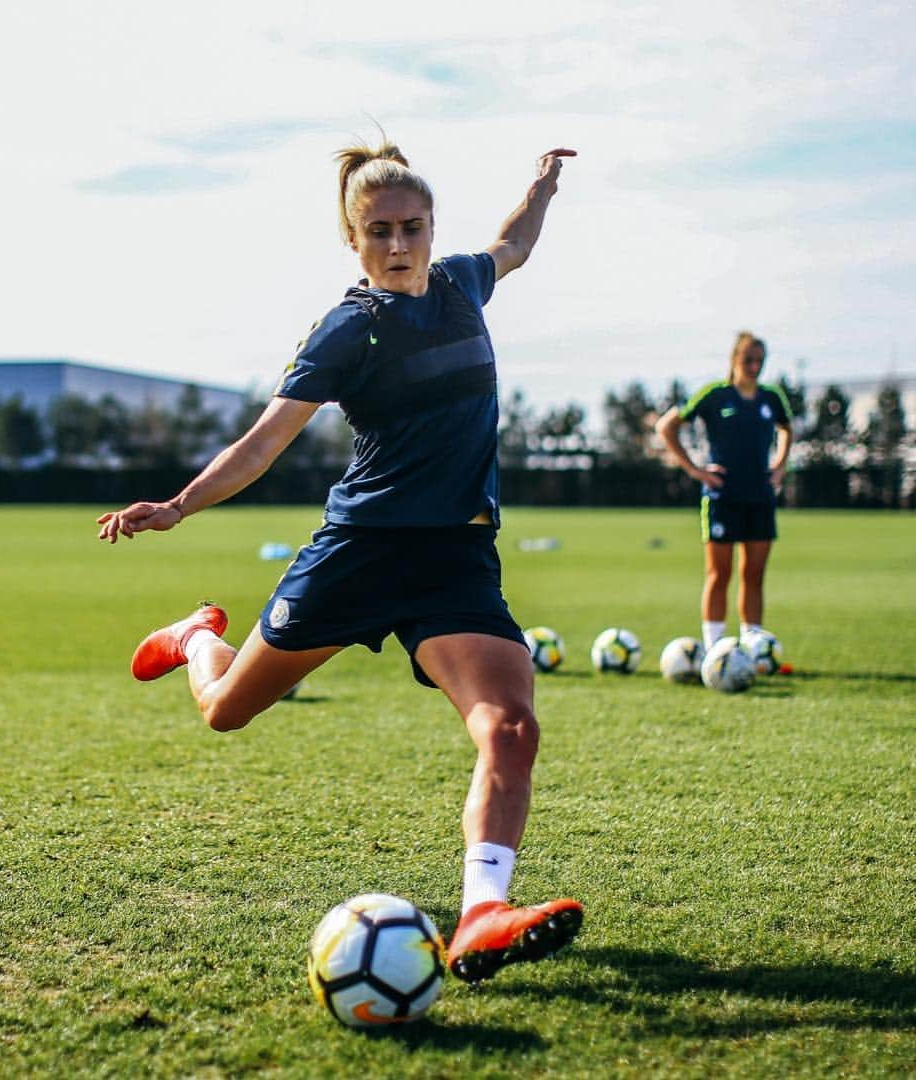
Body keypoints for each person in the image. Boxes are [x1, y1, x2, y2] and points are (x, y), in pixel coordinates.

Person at [97, 136, 583, 984]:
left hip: (456, 559)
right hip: (360, 553)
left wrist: (541, 185)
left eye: (414, 228)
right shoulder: (346, 329)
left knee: (511, 727)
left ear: (433, 229)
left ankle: (482, 914)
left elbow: (517, 244)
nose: (399, 246)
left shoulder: (465, 282)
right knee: (223, 711)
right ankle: (193, 637)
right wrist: (177, 506)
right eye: (381, 232)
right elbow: (263, 445)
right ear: (354, 241)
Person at [655, 332, 793, 650]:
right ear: (734, 360)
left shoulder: (771, 398)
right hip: (722, 497)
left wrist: (780, 464)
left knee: (754, 573)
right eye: (748, 360)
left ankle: (752, 645)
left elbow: (787, 428)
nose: (754, 367)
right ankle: (714, 648)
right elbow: (666, 426)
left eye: (760, 361)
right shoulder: (715, 394)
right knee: (720, 574)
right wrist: (694, 469)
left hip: (760, 495)